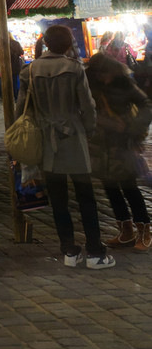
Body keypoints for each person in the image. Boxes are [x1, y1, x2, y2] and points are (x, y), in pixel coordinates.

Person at [16, 24, 115, 269]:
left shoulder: (30, 71)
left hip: (45, 139)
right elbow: (88, 106)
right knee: (85, 196)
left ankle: (69, 250)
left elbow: (21, 109)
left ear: (46, 43)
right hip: (73, 137)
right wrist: (88, 131)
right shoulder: (74, 69)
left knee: (58, 198)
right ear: (69, 44)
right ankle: (95, 251)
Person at [86, 52, 152, 251]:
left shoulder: (124, 84)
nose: (102, 78)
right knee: (110, 188)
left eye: (104, 73)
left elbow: (145, 105)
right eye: (98, 74)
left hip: (123, 144)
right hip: (100, 145)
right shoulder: (90, 85)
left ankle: (145, 231)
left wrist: (133, 128)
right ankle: (125, 232)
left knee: (129, 187)